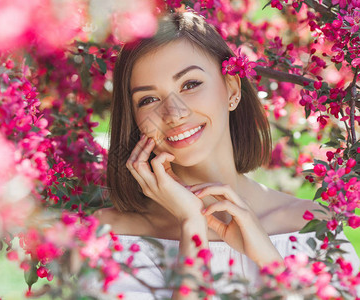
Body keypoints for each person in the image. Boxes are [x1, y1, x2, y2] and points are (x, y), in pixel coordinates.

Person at [94, 11, 359, 299]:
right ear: (134, 119)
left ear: (231, 89)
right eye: (148, 99)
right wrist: (191, 224)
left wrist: (270, 262)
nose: (174, 113)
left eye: (190, 84)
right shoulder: (110, 238)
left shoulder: (309, 224)